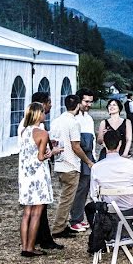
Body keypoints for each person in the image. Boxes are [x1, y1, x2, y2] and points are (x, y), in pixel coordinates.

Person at [18, 103, 60, 257]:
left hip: (25, 176)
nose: (45, 114)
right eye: (43, 112)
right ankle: (30, 248)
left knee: (27, 212)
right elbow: (41, 157)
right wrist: (53, 151)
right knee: (37, 212)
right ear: (38, 114)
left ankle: (24, 247)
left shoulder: (24, 131)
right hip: (38, 176)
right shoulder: (42, 133)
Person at [50, 94, 94, 238]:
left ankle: (62, 225)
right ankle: (58, 229)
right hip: (71, 165)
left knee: (66, 197)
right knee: (67, 199)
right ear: (77, 106)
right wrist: (87, 161)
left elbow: (53, 141)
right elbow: (76, 146)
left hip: (60, 164)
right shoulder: (74, 123)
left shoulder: (56, 121)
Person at [69, 88, 96, 233]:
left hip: (89, 156)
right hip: (79, 158)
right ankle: (75, 219)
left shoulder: (89, 118)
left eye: (91, 102)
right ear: (79, 101)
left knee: (85, 188)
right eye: (86, 101)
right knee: (79, 189)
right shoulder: (74, 119)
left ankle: (78, 217)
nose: (89, 104)